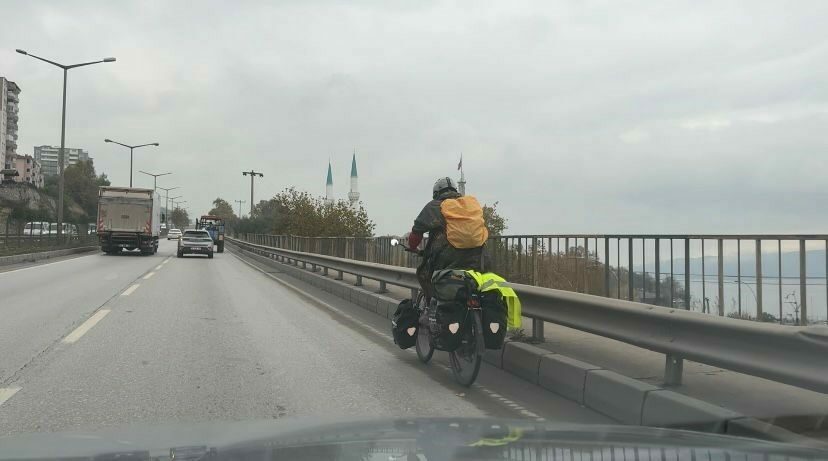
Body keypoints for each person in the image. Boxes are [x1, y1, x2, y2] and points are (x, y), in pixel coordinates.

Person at [408, 177, 488, 303]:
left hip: (448, 261)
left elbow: (416, 234)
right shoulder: (469, 206)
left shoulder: (434, 206)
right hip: (479, 258)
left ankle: (431, 304)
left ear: (436, 194)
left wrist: (412, 247)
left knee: (424, 274)